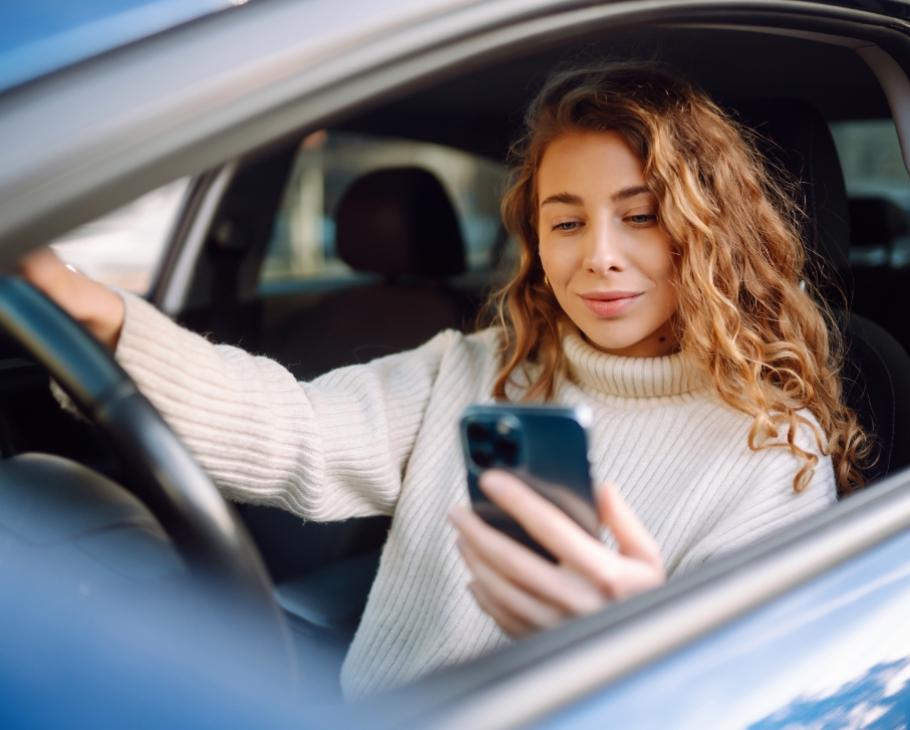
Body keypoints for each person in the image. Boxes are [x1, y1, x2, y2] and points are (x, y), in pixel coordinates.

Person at [20, 61, 869, 699]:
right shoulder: (478, 367)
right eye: (565, 220)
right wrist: (95, 312)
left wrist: (637, 640)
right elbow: (292, 432)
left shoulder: (767, 450)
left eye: (641, 216)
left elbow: (746, 697)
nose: (599, 255)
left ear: (708, 230)